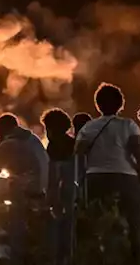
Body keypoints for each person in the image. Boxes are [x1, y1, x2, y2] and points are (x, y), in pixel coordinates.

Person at [75, 83, 140, 264]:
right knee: (133, 224)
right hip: (125, 178)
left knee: (95, 225)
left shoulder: (88, 128)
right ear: (120, 103)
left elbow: (78, 154)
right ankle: (136, 258)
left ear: (98, 104)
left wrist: (81, 179)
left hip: (96, 179)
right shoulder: (128, 125)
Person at [0, 114, 50, 262]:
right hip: (44, 186)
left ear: (2, 132)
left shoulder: (8, 143)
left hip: (27, 188)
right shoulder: (32, 138)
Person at [42, 109, 77, 265]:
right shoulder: (73, 143)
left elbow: (53, 172)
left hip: (60, 192)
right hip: (74, 192)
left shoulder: (53, 146)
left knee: (56, 229)